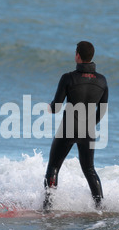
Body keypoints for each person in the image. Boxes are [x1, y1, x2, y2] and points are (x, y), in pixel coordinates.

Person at [43, 41, 108, 211]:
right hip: (89, 130)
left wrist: (49, 108)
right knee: (89, 169)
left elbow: (56, 107)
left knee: (54, 167)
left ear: (78, 55)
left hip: (69, 128)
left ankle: (48, 208)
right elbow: (102, 110)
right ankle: (100, 208)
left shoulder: (68, 78)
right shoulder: (102, 80)